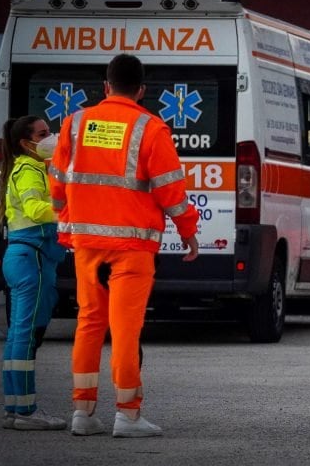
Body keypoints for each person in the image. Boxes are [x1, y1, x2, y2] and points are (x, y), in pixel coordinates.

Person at [49, 54, 200, 438]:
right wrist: (188, 231)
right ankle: (128, 416)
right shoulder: (150, 128)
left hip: (86, 244)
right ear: (142, 90)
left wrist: (66, 220)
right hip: (132, 246)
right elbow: (170, 190)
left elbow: (57, 183)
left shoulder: (75, 123)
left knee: (88, 324)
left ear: (106, 86)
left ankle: (82, 413)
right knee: (125, 329)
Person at [0, 115, 67, 431]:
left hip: (21, 256)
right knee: (26, 336)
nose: (51, 136)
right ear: (27, 143)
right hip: (32, 259)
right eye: (43, 133)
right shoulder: (28, 170)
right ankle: (27, 411)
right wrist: (67, 211)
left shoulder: (29, 168)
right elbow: (35, 210)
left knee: (17, 335)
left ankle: (15, 407)